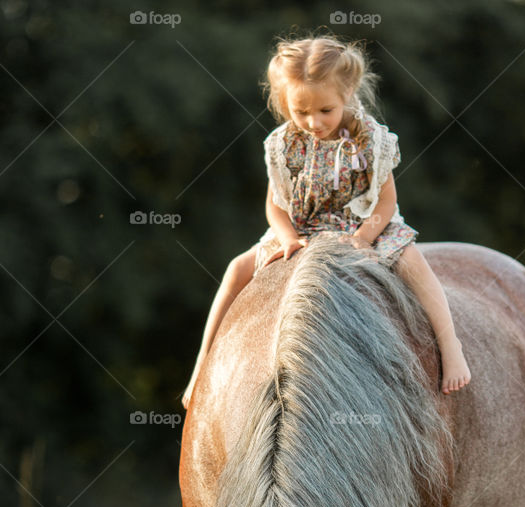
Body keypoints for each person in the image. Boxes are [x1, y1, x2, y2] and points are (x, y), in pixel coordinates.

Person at [181, 34, 471, 406]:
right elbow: (275, 206)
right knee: (236, 270)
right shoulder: (283, 144)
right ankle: (202, 364)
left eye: (325, 110)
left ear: (347, 93)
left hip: (363, 224)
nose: (313, 122)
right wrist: (286, 237)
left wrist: (364, 238)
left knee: (414, 263)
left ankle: (450, 345)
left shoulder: (370, 140)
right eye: (300, 111)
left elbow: (386, 201)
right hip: (302, 228)